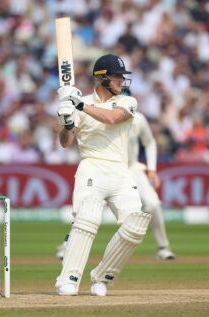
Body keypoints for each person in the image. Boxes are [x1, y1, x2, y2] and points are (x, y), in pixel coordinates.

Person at [55, 54, 152, 296]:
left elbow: (111, 118)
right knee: (87, 219)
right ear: (102, 78)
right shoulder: (81, 102)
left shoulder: (128, 102)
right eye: (117, 77)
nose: (121, 81)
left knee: (136, 225)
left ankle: (101, 277)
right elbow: (66, 143)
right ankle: (68, 280)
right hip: (92, 167)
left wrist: (78, 106)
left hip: (120, 171)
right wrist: (67, 123)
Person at [56, 111, 176, 260]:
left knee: (153, 204)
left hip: (131, 169)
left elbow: (149, 142)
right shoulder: (99, 114)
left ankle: (163, 248)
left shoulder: (138, 118)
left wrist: (151, 168)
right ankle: (67, 246)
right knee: (86, 209)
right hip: (104, 169)